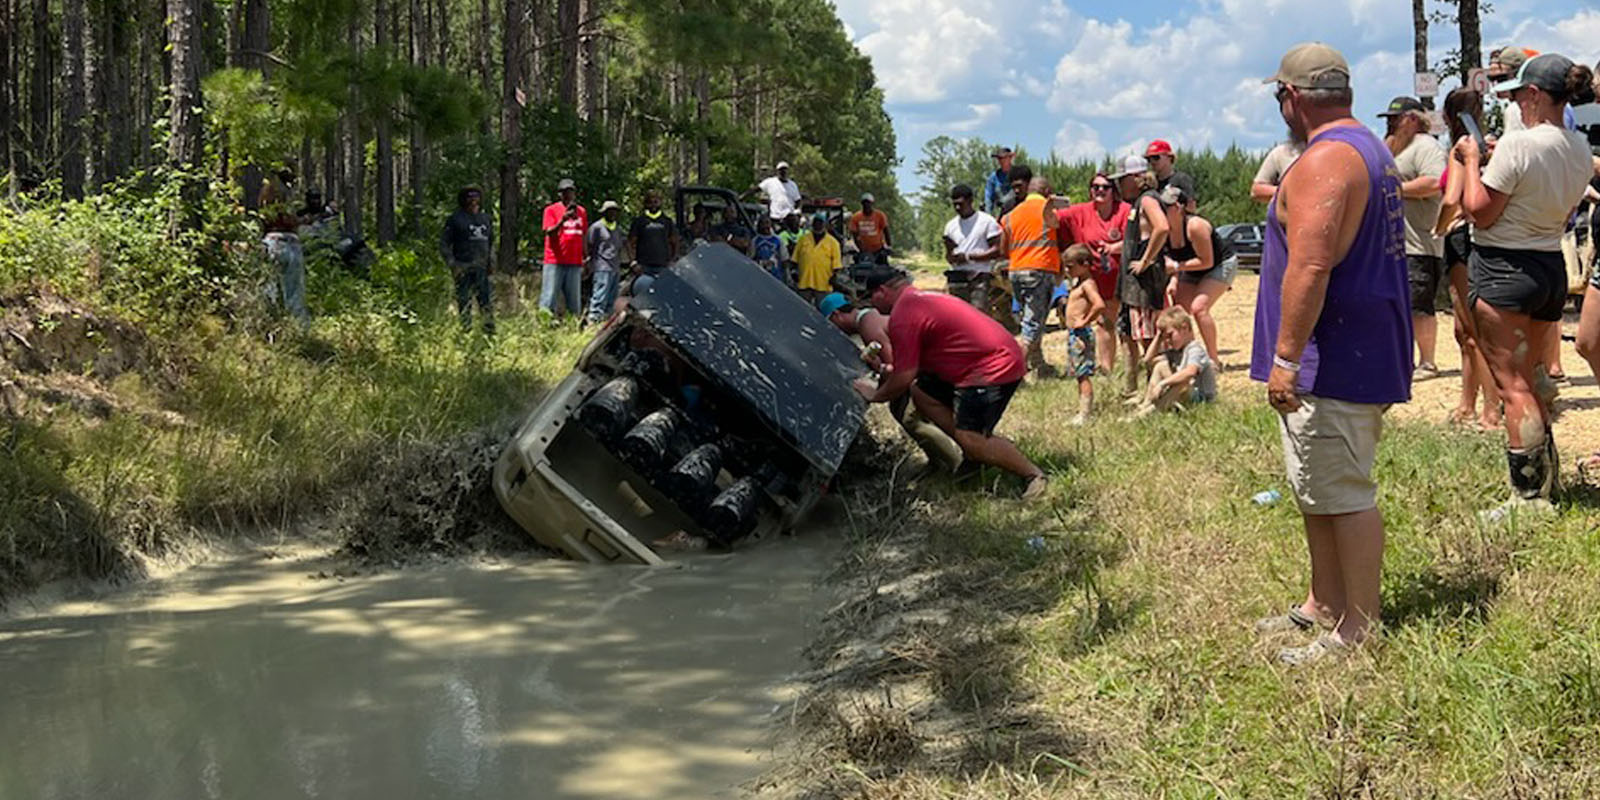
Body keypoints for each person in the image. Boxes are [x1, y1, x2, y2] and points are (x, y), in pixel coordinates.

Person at [1252, 42, 1411, 664]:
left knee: (1343, 491)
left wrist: (1286, 357)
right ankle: (1324, 601)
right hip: (1352, 348)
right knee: (1315, 486)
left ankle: (1356, 631)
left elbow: (1312, 265)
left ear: (1291, 98)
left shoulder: (1324, 161)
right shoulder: (1369, 148)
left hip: (1334, 355)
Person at [1456, 53, 1594, 520]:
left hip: (1504, 267)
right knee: (1533, 378)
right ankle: (1548, 478)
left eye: (1517, 94)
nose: (1515, 103)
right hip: (1547, 265)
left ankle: (1530, 498)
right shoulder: (1578, 147)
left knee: (1512, 386)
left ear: (1534, 95)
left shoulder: (1518, 145)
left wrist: (1473, 161)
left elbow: (1479, 210)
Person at [851, 268, 1048, 499]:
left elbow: (904, 376)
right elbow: (910, 372)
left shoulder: (903, 315)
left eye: (871, 297)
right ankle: (975, 454)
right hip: (983, 361)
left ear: (882, 291)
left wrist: (875, 395)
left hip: (992, 367)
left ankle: (1033, 475)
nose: (873, 307)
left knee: (972, 438)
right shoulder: (921, 299)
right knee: (922, 392)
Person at [819, 292, 963, 473]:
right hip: (924, 363)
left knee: (910, 419)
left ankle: (954, 464)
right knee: (898, 408)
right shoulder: (869, 316)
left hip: (922, 368)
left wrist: (876, 386)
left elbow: (896, 368)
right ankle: (937, 460)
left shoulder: (867, 326)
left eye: (832, 323)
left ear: (836, 315)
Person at [1435, 88, 1503, 430]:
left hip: (1460, 237)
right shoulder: (1486, 144)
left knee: (1473, 330)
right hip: (1478, 237)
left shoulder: (1460, 149)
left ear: (1447, 116)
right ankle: (1467, 404)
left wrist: (1440, 227)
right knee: (1464, 331)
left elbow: (1451, 199)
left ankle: (1491, 410)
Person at [1379, 96, 1449, 380]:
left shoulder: (1426, 146)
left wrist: (1394, 189)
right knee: (1397, 304)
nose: (1390, 124)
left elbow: (1434, 182)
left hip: (1420, 243)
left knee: (1418, 304)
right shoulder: (1394, 149)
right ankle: (1401, 359)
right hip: (1395, 244)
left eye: (1395, 119)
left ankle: (1428, 362)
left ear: (1412, 119)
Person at [1057, 173, 1131, 373]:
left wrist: (1114, 247)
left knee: (1114, 322)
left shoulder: (1124, 211)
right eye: (1095, 186)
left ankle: (1116, 366)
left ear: (1113, 191)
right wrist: (1045, 203)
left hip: (1117, 277)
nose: (1100, 190)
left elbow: (1135, 241)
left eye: (1105, 187)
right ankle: (1090, 366)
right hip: (1089, 278)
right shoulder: (1080, 211)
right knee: (1094, 322)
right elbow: (1053, 220)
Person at [1111, 154, 1170, 395]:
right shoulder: (1139, 202)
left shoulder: (1147, 200)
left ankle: (1156, 392)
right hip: (1131, 285)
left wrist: (1145, 261)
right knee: (1127, 334)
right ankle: (1132, 388)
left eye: (1122, 180)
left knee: (1147, 338)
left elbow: (1162, 227)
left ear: (1136, 178)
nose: (1119, 186)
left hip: (1143, 285)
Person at [1163, 184, 1238, 365]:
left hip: (1219, 264)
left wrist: (1176, 268)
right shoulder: (1165, 229)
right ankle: (1187, 355)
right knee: (1179, 312)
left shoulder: (1195, 226)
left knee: (1199, 308)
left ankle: (1213, 360)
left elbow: (1207, 261)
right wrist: (1173, 280)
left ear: (1179, 208)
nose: (1162, 210)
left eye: (1167, 206)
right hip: (1190, 267)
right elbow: (1173, 260)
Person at [1000, 175, 1067, 376]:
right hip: (1040, 271)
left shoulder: (1009, 216)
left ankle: (1039, 365)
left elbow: (1003, 249)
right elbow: (1063, 242)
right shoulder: (1052, 213)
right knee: (1032, 325)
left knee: (1031, 318)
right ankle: (1012, 370)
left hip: (1016, 272)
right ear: (1047, 192)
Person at [1132, 306, 1216, 417]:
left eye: (1170, 335)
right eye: (1165, 337)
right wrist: (1159, 337)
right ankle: (1147, 404)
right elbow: (1148, 360)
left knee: (1181, 383)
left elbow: (1190, 372)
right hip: (1185, 395)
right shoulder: (1177, 351)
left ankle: (1151, 412)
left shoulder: (1195, 349)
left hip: (1201, 398)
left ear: (1185, 328)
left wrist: (1163, 384)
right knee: (1161, 366)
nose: (1168, 341)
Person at [1055, 245, 1104, 425]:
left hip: (1081, 334)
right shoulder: (1078, 283)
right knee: (1078, 373)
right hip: (1074, 333)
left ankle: (1085, 413)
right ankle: (1082, 408)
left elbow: (1099, 304)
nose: (1067, 270)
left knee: (1083, 374)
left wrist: (1086, 320)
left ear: (1085, 264)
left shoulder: (1087, 285)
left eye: (1070, 266)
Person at [258, 164, 310, 327]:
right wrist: (302, 221)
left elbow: (263, 218)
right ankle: (299, 330)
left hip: (272, 241)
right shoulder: (290, 195)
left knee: (270, 288)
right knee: (295, 292)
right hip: (291, 242)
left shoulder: (266, 193)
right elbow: (290, 220)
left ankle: (268, 326)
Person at [440, 186, 495, 334]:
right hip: (462, 267)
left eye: (476, 196)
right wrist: (452, 264)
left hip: (481, 268)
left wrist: (490, 262)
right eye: (469, 197)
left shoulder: (486, 219)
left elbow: (490, 242)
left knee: (486, 302)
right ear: (463, 199)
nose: (473, 200)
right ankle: (466, 332)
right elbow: (444, 244)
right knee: (464, 302)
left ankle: (489, 333)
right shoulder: (455, 219)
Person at [942, 183, 1002, 312]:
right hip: (957, 278)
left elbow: (997, 250)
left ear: (970, 201)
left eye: (960, 204)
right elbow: (949, 257)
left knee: (978, 314)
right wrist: (951, 256)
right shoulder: (950, 226)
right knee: (958, 315)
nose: (957, 207)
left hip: (979, 277)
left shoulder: (986, 221)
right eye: (955, 204)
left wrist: (969, 257)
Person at [540, 178, 588, 320]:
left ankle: (572, 329)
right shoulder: (551, 210)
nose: (568, 195)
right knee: (549, 298)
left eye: (570, 191)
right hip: (554, 261)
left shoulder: (581, 212)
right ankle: (544, 327)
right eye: (564, 192)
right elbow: (550, 232)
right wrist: (563, 219)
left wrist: (586, 257)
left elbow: (583, 235)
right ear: (559, 194)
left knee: (574, 302)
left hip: (574, 262)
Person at [623, 189, 680, 301]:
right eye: (650, 202)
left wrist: (673, 260)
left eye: (656, 201)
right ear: (646, 204)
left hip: (663, 266)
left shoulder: (667, 221)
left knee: (664, 296)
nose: (653, 205)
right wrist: (633, 263)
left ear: (660, 202)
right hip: (643, 267)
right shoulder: (639, 221)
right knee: (639, 292)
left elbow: (675, 242)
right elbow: (630, 243)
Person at [584, 200, 624, 326]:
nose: (612, 214)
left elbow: (620, 246)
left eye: (614, 211)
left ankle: (606, 322)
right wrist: (589, 262)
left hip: (615, 267)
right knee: (599, 295)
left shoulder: (617, 228)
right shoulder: (597, 227)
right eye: (610, 211)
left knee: (612, 297)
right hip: (601, 266)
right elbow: (588, 245)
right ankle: (593, 321)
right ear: (604, 212)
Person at [793, 213, 842, 304]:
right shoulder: (803, 239)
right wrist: (794, 272)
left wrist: (834, 277)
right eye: (816, 222)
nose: (818, 225)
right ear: (812, 224)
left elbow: (837, 265)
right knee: (803, 308)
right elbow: (795, 259)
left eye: (821, 223)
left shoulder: (833, 242)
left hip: (823, 283)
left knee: (823, 310)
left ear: (825, 225)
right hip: (804, 281)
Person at [848, 193, 891, 264]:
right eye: (864, 203)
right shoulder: (856, 217)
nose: (866, 205)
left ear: (872, 204)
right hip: (863, 251)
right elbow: (855, 235)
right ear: (862, 204)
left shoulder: (880, 215)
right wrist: (860, 248)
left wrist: (889, 246)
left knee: (882, 270)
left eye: (868, 203)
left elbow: (886, 230)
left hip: (878, 250)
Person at [751, 216, 789, 283]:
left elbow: (784, 259)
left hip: (776, 275)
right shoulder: (755, 240)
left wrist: (787, 275)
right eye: (763, 223)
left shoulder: (778, 240)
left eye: (767, 223)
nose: (765, 226)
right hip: (760, 276)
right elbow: (750, 258)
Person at [984, 147, 1016, 215]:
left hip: (1017, 211)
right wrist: (988, 216)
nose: (1000, 160)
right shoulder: (993, 178)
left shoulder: (1018, 174)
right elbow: (988, 198)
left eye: (1003, 158)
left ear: (1010, 158)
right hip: (1002, 213)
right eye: (999, 158)